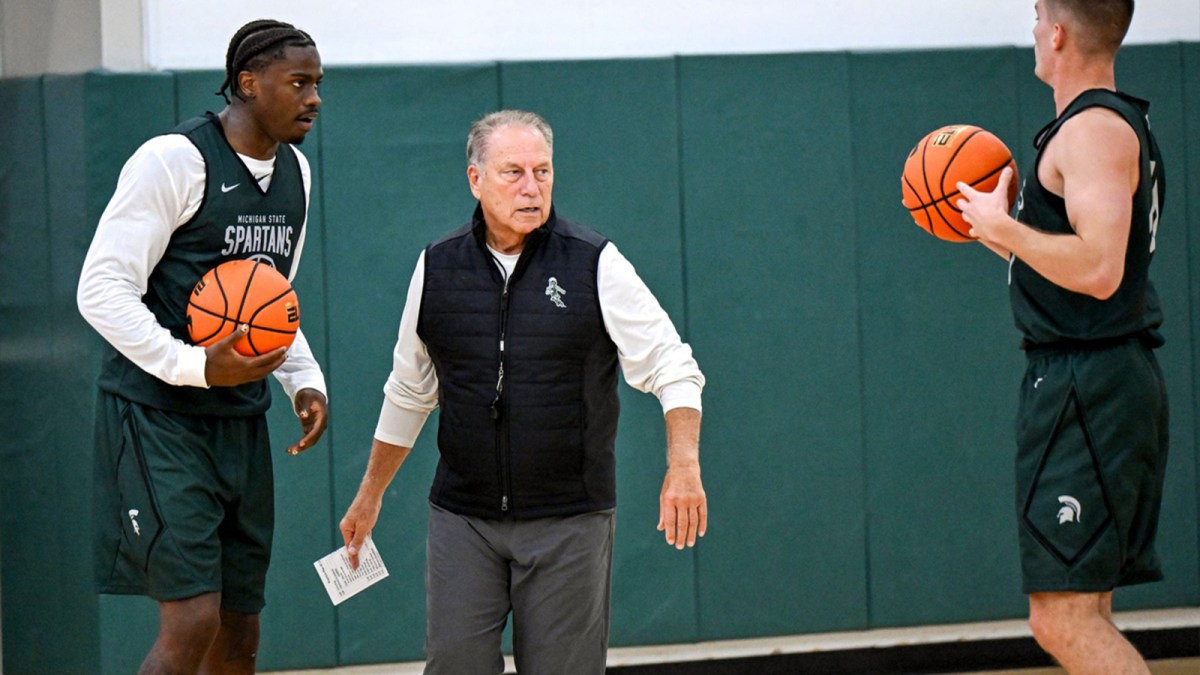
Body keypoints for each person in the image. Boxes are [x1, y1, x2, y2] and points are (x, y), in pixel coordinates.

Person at [339, 109, 707, 674]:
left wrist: (683, 464)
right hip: (463, 518)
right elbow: (410, 390)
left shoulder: (594, 263)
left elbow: (673, 364)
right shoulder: (436, 267)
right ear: (475, 179)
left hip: (569, 520)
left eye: (543, 171)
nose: (532, 187)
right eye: (513, 172)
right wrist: (370, 494)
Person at [77, 19, 329, 675]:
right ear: (247, 83)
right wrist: (194, 364)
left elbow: (271, 299)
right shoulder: (174, 160)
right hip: (158, 417)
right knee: (191, 618)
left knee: (240, 629)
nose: (314, 98)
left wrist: (303, 379)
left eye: (317, 84)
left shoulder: (297, 173)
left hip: (239, 423)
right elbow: (100, 290)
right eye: (297, 82)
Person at [956, 1, 1167, 673]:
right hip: (1089, 380)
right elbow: (1077, 271)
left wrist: (1008, 229)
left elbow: (1101, 271)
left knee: (1061, 618)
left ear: (1059, 31)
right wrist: (1005, 233)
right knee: (1085, 609)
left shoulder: (1095, 131)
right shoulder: (1094, 126)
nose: (1032, 27)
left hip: (1090, 389)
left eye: (1038, 12)